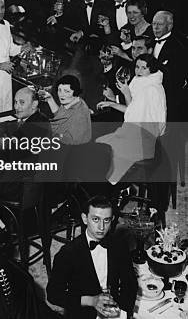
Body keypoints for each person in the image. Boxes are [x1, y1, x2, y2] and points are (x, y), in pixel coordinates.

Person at [47, 196, 138, 319]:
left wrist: (124, 311)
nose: (101, 227)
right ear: (85, 218)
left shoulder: (119, 245)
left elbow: (130, 283)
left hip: (113, 310)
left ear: (113, 219)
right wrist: (91, 301)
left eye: (106, 220)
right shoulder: (68, 253)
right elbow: (53, 294)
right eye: (96, 219)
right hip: (82, 313)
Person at [97, 54, 167, 183]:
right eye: (137, 67)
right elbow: (133, 110)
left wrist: (126, 93)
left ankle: (113, 187)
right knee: (101, 144)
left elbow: (133, 114)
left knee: (106, 151)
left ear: (151, 70)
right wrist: (112, 103)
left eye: (143, 68)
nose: (139, 71)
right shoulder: (142, 82)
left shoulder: (151, 89)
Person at [40, 74, 91, 145]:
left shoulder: (79, 114)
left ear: (75, 91)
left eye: (66, 91)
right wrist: (50, 99)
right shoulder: (71, 101)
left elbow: (73, 141)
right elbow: (60, 115)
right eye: (59, 90)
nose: (61, 95)